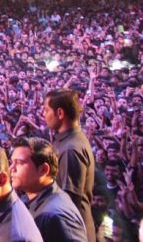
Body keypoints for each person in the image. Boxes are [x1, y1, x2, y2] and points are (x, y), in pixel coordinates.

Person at [9, 137, 88, 242]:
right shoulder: (28, 199)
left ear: (44, 169)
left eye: (20, 162)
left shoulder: (57, 216)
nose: (11, 168)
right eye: (12, 162)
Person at [44, 89, 96, 242]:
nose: (44, 115)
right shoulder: (66, 141)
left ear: (60, 113)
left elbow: (68, 201)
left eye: (46, 110)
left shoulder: (70, 149)